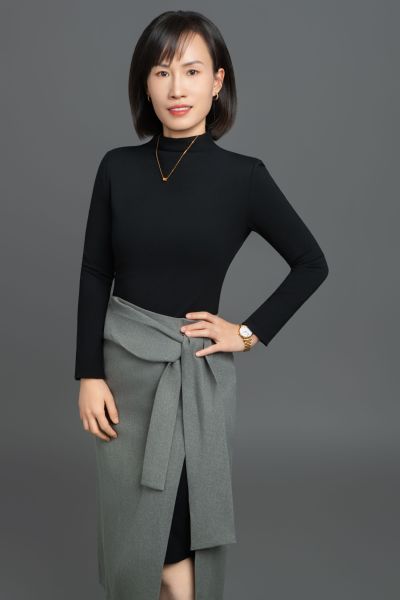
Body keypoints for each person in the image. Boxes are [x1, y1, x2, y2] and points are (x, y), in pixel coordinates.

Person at [74, 10, 329, 600]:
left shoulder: (244, 178)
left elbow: (311, 262)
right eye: (162, 72)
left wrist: (247, 333)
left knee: (175, 546)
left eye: (192, 71)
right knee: (133, 539)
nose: (177, 87)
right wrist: (88, 373)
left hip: (191, 385)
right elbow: (95, 272)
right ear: (145, 84)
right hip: (122, 379)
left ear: (217, 82)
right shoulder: (116, 167)